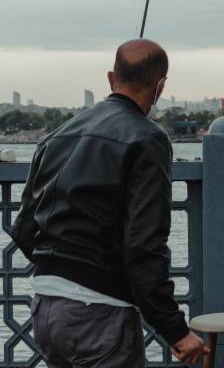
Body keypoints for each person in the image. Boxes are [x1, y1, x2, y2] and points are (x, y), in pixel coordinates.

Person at [11, 39, 208, 367]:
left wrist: (65, 269)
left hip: (45, 308)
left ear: (110, 78)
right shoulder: (148, 139)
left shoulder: (55, 135)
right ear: (160, 86)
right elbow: (144, 247)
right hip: (97, 314)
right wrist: (176, 331)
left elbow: (24, 229)